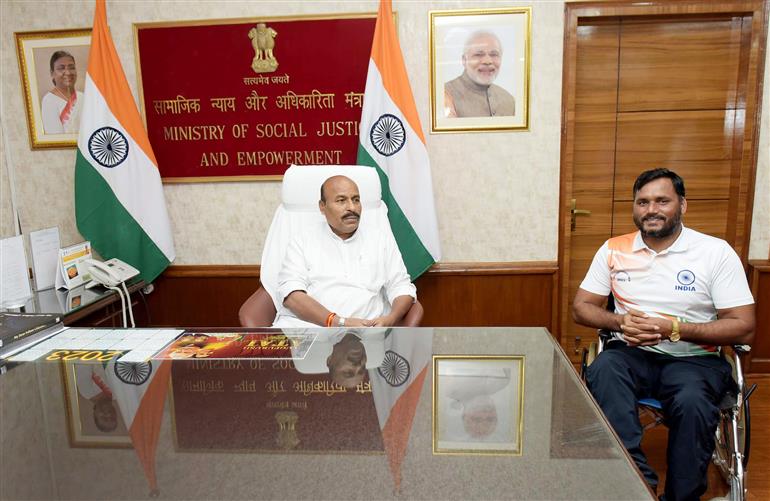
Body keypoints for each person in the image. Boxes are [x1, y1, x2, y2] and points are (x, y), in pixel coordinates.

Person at [572, 168, 755, 501]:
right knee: (603, 370)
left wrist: (674, 328)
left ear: (682, 205)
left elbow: (743, 324)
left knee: (692, 401)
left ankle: (681, 497)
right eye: (642, 202)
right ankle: (635, 484)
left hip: (695, 359)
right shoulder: (614, 249)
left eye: (661, 200)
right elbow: (582, 307)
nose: (651, 209)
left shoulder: (714, 252)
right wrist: (620, 323)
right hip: (631, 354)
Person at [273, 175, 416, 328]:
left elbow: (401, 286)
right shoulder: (302, 241)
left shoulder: (380, 240)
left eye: (356, 200)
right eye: (341, 200)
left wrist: (391, 319)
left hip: (367, 333)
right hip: (312, 330)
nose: (352, 208)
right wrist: (338, 322)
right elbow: (291, 295)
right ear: (322, 206)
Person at [444, 31, 515, 118]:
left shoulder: (509, 100)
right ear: (464, 60)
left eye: (494, 54)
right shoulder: (445, 95)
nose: (487, 61)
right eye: (478, 54)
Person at [41, 50, 83, 134]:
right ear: (52, 73)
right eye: (61, 68)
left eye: (71, 67)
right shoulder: (49, 100)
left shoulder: (83, 97)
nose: (68, 72)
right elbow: (56, 138)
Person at [75, 363, 119, 432]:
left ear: (95, 414)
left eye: (104, 418)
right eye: (112, 418)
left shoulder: (86, 391)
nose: (108, 414)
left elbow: (83, 362)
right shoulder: (118, 394)